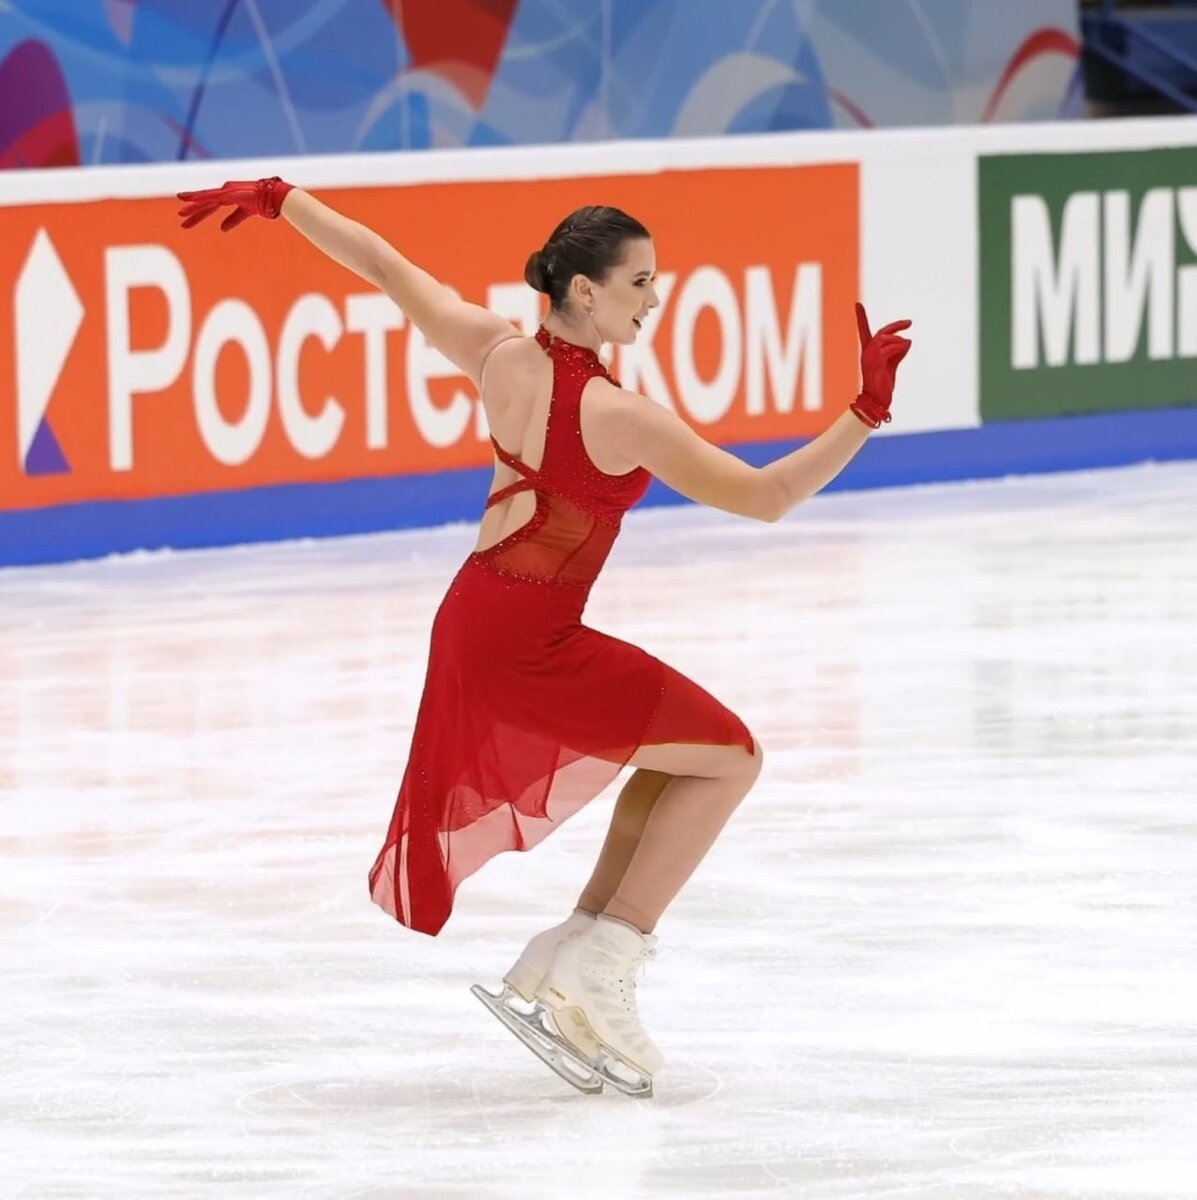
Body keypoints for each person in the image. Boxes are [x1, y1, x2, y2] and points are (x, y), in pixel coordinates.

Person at [176, 176, 912, 1096]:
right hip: (527, 639)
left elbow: (383, 265)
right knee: (732, 758)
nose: (653, 299)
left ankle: (574, 950)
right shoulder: (620, 415)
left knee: (685, 759)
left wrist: (281, 198)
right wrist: (863, 414)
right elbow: (766, 498)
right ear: (585, 290)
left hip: (479, 617)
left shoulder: (494, 351)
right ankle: (601, 958)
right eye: (639, 282)